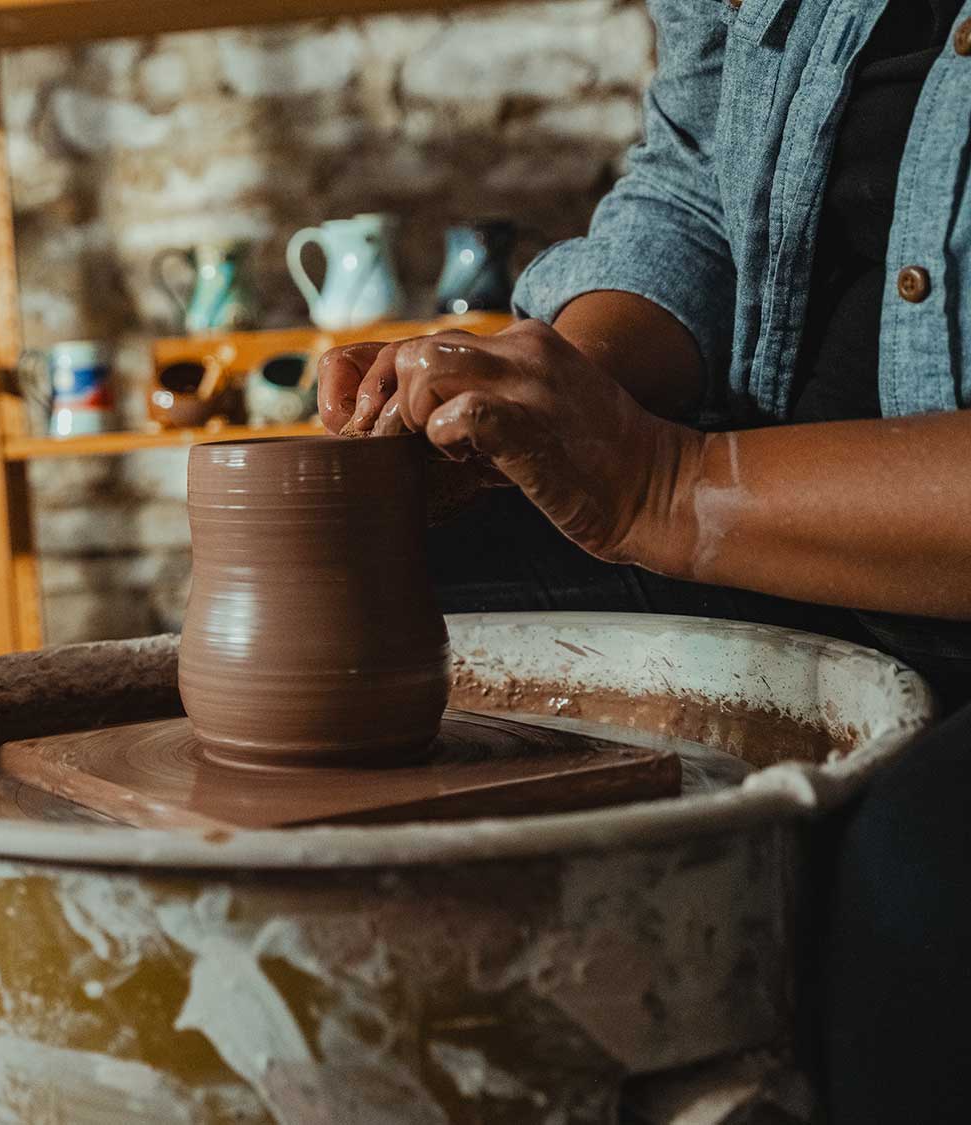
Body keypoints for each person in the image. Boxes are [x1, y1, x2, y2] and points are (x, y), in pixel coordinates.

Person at [316, 0, 971, 1118]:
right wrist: (538, 398)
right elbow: (688, 195)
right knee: (357, 590)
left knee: (916, 876)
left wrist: (661, 488)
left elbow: (661, 486)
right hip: (773, 519)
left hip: (876, 529)